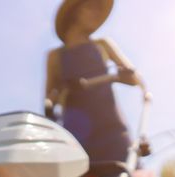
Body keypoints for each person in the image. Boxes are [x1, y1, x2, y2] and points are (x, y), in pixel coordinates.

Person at [45, 0, 141, 163]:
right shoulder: (55, 56)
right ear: (75, 12)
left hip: (113, 131)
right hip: (75, 136)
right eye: (91, 8)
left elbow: (134, 79)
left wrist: (120, 74)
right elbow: (49, 96)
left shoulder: (102, 45)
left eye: (99, 10)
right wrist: (50, 105)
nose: (96, 14)